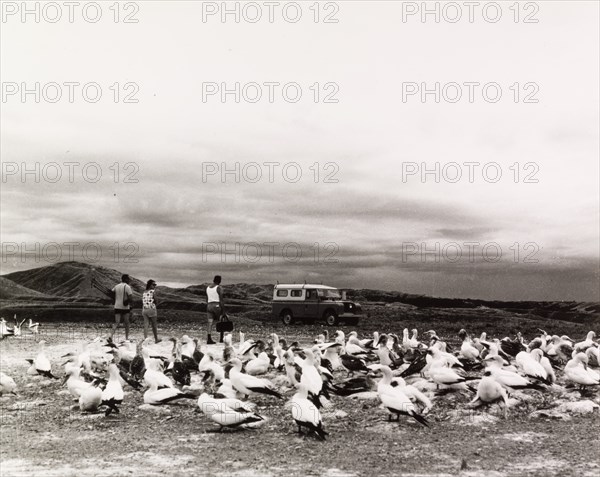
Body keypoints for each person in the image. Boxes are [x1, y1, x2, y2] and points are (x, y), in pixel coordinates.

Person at [110, 274, 133, 340]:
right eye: (128, 279)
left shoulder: (116, 286)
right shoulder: (127, 287)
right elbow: (130, 297)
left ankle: (111, 336)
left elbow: (112, 293)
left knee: (117, 322)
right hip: (125, 307)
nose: (129, 280)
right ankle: (126, 338)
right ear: (126, 279)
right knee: (127, 323)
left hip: (117, 306)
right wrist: (131, 305)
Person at [206, 275, 225, 345]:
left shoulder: (207, 288)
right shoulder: (219, 288)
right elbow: (221, 300)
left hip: (209, 305)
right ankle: (221, 339)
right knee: (221, 320)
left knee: (210, 323)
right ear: (219, 280)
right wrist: (223, 310)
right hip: (216, 305)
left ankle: (209, 338)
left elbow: (207, 298)